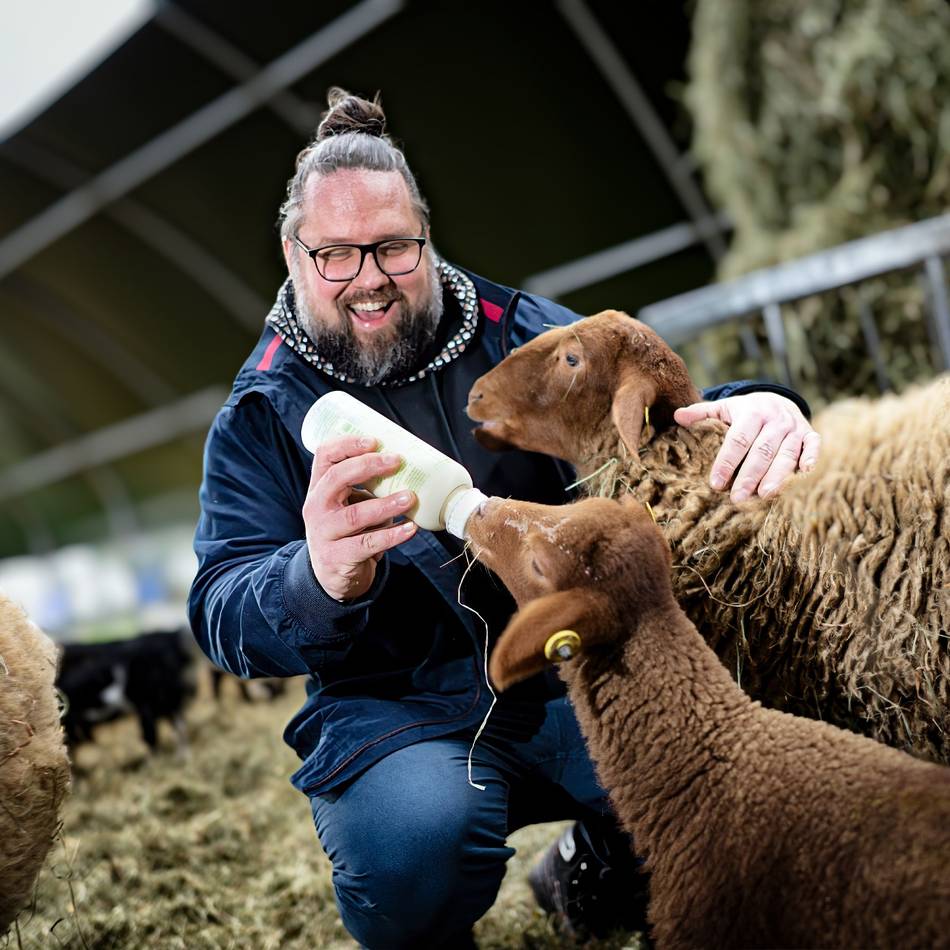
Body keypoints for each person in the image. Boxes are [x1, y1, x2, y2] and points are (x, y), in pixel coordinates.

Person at [188, 88, 820, 948]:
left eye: (393, 247)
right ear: (293, 254)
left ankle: (597, 866)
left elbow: (660, 422)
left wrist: (763, 406)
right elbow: (219, 604)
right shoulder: (264, 411)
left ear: (426, 236)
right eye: (335, 254)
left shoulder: (513, 331)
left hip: (574, 663)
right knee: (416, 846)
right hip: (397, 708)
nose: (368, 277)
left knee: (728, 775)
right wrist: (315, 577)